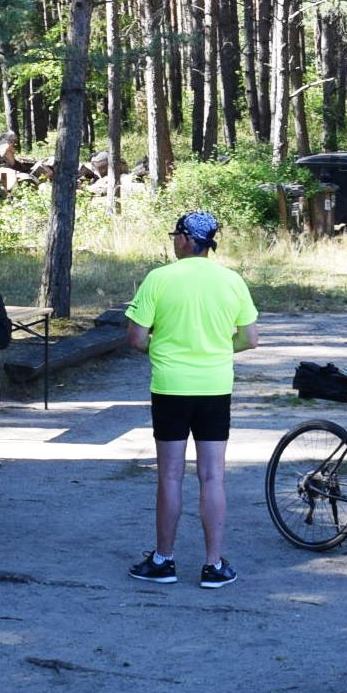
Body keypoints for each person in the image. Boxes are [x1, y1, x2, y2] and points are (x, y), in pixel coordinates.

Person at [126, 209, 259, 588]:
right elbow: (250, 338)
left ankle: (164, 559)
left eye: (175, 236)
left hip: (171, 387)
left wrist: (160, 349)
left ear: (186, 239)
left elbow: (136, 337)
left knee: (170, 475)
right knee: (212, 476)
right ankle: (213, 565)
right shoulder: (232, 281)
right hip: (214, 386)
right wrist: (216, 349)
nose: (173, 242)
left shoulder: (158, 279)